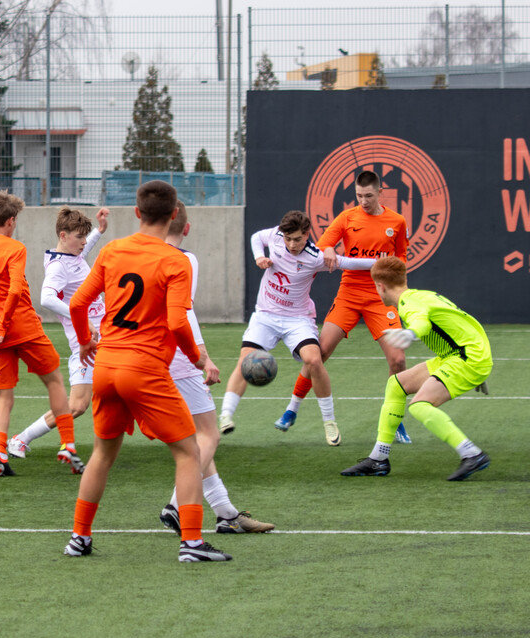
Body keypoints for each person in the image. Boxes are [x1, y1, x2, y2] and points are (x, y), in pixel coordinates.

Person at [64, 180, 231, 563]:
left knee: (102, 455)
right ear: (174, 215)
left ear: (137, 213)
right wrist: (198, 359)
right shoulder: (176, 261)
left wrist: (86, 341)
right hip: (144, 368)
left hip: (105, 366)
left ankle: (79, 537)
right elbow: (176, 322)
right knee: (189, 452)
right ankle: (191, 543)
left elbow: (77, 302)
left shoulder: (112, 250)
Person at [158, 201, 275, 535]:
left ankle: (226, 514)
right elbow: (183, 313)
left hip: (146, 358)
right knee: (208, 434)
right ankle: (176, 505)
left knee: (195, 439)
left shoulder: (131, 253)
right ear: (187, 227)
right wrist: (203, 357)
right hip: (178, 357)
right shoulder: (185, 259)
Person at [274, 170, 412, 444]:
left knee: (398, 360)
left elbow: (402, 258)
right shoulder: (347, 218)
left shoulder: (396, 221)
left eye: (369, 196)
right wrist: (327, 250)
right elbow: (324, 243)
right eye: (359, 195)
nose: (363, 200)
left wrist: (399, 289)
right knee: (319, 353)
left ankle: (395, 420)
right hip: (349, 293)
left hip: (380, 297)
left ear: (380, 192)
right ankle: (292, 408)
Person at [218, 210, 376, 445]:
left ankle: (329, 422)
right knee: (245, 361)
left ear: (307, 235)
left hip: (297, 319)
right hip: (266, 315)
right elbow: (255, 238)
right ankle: (226, 416)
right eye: (288, 239)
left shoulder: (315, 257)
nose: (291, 244)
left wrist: (380, 262)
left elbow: (347, 263)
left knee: (314, 360)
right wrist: (259, 256)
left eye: (297, 239)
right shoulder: (274, 236)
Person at [341, 256, 491, 481]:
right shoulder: (422, 295)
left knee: (420, 405)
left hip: (465, 358)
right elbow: (465, 320)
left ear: (380, 287)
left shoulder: (408, 304)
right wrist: (480, 357)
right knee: (396, 384)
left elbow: (421, 322)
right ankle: (378, 458)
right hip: (462, 355)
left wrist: (409, 334)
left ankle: (471, 453)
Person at [0, 191, 81, 477]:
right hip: (20, 326)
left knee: (4, 398)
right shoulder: (15, 247)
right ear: (11, 221)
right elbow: (14, 288)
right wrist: (7, 323)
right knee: (54, 381)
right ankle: (67, 444)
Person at [7, 205, 109, 468]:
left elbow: (82, 252)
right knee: (76, 406)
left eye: (85, 237)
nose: (83, 242)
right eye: (79, 236)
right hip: (87, 344)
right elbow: (46, 298)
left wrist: (98, 231)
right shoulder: (57, 267)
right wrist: (82, 320)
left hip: (107, 337)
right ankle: (20, 440)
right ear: (63, 236)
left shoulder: (73, 255)